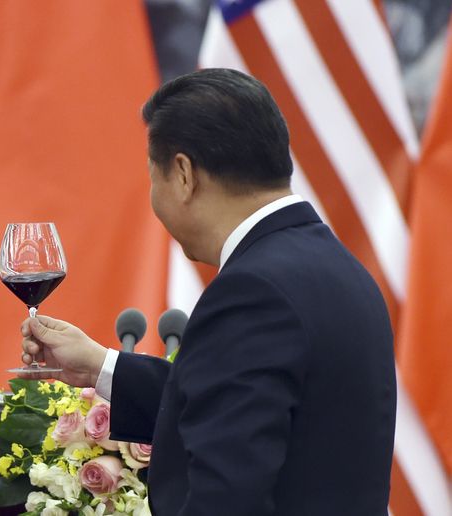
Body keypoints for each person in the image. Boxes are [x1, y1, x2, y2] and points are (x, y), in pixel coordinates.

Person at [20, 68, 396, 515]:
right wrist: (104, 367)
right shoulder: (339, 269)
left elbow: (226, 491)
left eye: (151, 175)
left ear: (183, 174)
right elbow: (238, 414)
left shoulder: (253, 291)